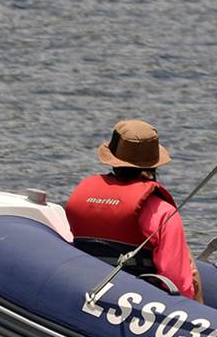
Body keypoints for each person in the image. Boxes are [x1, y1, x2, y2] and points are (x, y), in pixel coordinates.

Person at [66, 118, 202, 302]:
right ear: (154, 164)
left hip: (80, 285)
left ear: (113, 161)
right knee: (191, 266)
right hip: (138, 302)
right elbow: (177, 281)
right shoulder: (162, 212)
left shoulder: (84, 194)